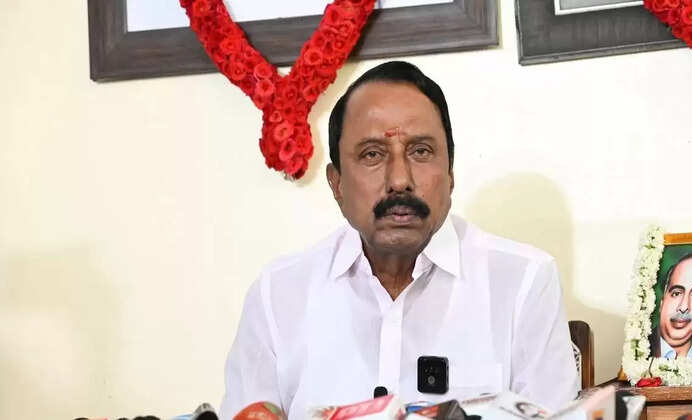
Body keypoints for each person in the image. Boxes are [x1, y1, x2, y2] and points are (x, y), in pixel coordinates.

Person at [220, 61, 579, 420]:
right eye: (372, 155)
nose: (399, 181)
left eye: (420, 151)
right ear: (336, 183)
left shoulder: (523, 282)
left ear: (450, 174)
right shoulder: (278, 293)